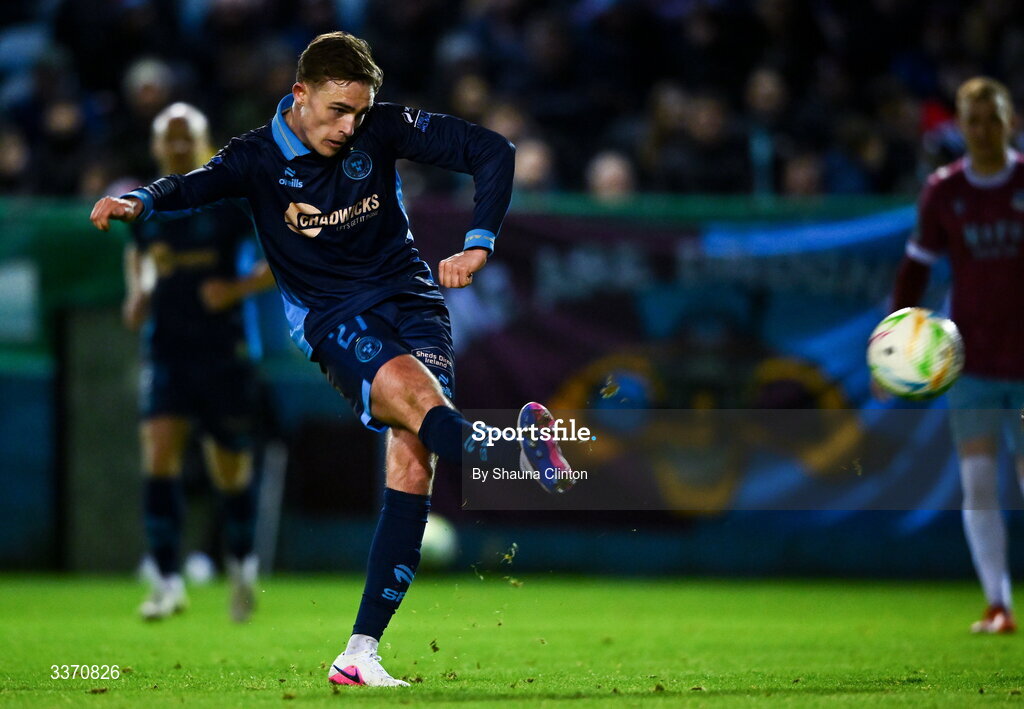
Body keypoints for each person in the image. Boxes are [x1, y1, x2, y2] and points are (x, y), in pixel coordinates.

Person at [90, 32, 571, 686]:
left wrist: (479, 242)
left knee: (413, 454)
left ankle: (359, 653)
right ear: (300, 95)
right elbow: (193, 186)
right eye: (336, 111)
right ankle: (518, 451)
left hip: (413, 299)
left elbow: (493, 151)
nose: (349, 127)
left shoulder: (380, 126)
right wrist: (140, 200)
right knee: (419, 406)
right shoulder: (257, 157)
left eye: (359, 112)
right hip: (334, 316)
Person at [123, 102, 276, 622]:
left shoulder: (229, 201)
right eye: (171, 138)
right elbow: (139, 255)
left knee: (229, 469)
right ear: (157, 146)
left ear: (206, 141)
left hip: (225, 352)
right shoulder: (148, 207)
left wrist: (235, 289)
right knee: (158, 457)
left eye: (188, 137)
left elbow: (280, 258)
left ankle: (242, 565)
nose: (180, 146)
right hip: (166, 349)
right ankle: (167, 582)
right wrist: (137, 294)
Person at [891, 76, 1024, 634]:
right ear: (961, 128)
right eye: (974, 120)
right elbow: (916, 268)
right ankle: (998, 603)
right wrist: (893, 345)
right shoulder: (944, 192)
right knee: (976, 482)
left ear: (1010, 121)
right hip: (970, 359)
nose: (985, 129)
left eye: (993, 118)